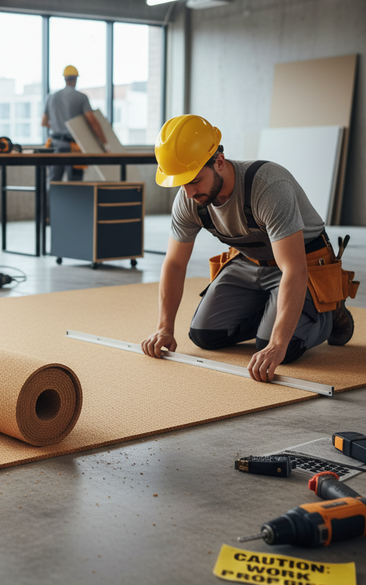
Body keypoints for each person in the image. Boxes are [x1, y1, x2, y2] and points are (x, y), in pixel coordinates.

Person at [141, 114, 358, 384]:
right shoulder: (189, 199)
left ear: (219, 161)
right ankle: (274, 310)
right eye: (181, 182)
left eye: (194, 180)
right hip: (248, 263)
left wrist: (276, 344)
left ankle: (330, 312)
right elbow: (174, 264)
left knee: (281, 346)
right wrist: (164, 328)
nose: (188, 192)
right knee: (204, 335)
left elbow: (293, 269)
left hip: (300, 264)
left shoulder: (268, 187)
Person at [41, 65, 108, 183]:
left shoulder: (51, 97)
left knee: (53, 182)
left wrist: (57, 125)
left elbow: (44, 122)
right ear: (75, 79)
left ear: (65, 79)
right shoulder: (81, 97)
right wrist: (104, 143)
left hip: (55, 144)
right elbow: (91, 120)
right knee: (75, 184)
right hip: (73, 147)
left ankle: (50, 202)